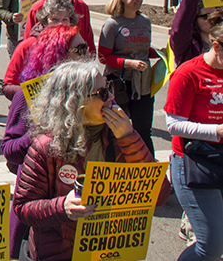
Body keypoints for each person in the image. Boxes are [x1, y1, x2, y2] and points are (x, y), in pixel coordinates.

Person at [13, 60, 170, 261]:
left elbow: (160, 195)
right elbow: (23, 207)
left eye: (110, 88)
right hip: (61, 252)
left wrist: (130, 139)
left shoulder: (120, 136)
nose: (112, 97)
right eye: (103, 93)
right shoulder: (46, 146)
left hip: (111, 249)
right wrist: (62, 207)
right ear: (76, 102)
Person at [1, 24, 89, 258]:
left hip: (81, 211)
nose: (87, 55)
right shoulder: (27, 94)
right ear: (59, 55)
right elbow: (9, 149)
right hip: (38, 203)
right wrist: (39, 135)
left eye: (87, 47)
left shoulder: (92, 95)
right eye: (79, 49)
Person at [164, 11, 223, 261]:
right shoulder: (189, 73)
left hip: (219, 157)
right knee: (210, 247)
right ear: (217, 44)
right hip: (194, 164)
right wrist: (217, 131)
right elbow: (173, 125)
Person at [99, 0, 159, 155]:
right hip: (119, 83)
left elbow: (142, 49)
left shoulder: (145, 21)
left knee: (143, 129)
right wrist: (128, 63)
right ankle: (113, 163)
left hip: (143, 84)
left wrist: (158, 53)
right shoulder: (113, 24)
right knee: (114, 129)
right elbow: (103, 57)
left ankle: (148, 167)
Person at [2, 0, 79, 100]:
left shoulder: (76, 44)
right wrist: (38, 92)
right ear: (45, 21)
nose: (60, 24)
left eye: (65, 19)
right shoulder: (27, 46)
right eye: (55, 19)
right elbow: (8, 86)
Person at [23, 0, 94, 54]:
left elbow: (88, 37)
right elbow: (28, 40)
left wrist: (90, 56)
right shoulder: (38, 8)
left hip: (76, 59)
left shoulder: (82, 6)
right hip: (46, 58)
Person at [171, 0, 218, 67]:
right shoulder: (187, 46)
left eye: (215, 15)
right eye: (206, 16)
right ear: (195, 20)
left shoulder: (220, 41)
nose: (212, 19)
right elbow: (179, 28)